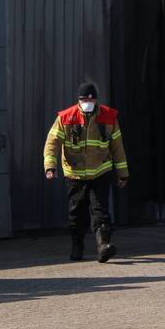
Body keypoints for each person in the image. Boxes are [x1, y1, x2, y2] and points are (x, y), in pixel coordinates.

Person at [43, 82, 128, 262]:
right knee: (76, 214)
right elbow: (52, 143)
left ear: (96, 99)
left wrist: (123, 173)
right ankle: (77, 246)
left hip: (101, 172)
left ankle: (103, 246)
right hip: (75, 174)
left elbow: (117, 147)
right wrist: (50, 166)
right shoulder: (66, 118)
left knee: (100, 210)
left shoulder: (109, 117)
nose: (87, 101)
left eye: (91, 98)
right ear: (79, 100)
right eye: (84, 99)